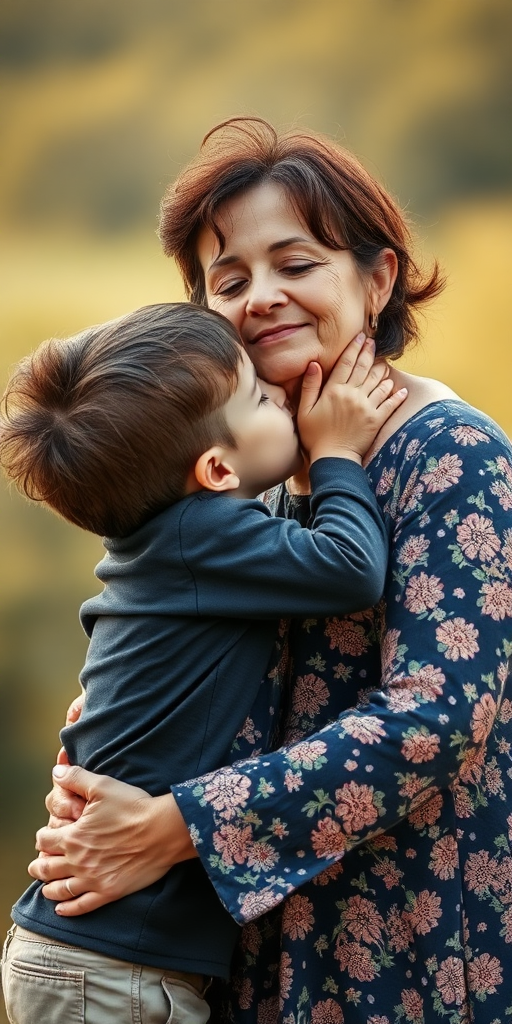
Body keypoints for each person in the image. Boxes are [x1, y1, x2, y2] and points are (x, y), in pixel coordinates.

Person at [26, 118, 512, 1021]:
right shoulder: (260, 478)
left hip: (399, 936)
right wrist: (115, 748)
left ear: (377, 278)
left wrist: (174, 827)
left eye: (297, 264)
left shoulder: (452, 455)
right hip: (254, 944)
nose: (261, 299)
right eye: (230, 280)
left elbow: (438, 717)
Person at [0, 300, 406, 1024]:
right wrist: (337, 452)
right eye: (257, 395)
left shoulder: (174, 539)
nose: (282, 397)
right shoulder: (203, 535)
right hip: (112, 969)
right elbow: (350, 569)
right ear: (218, 468)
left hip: (96, 960)